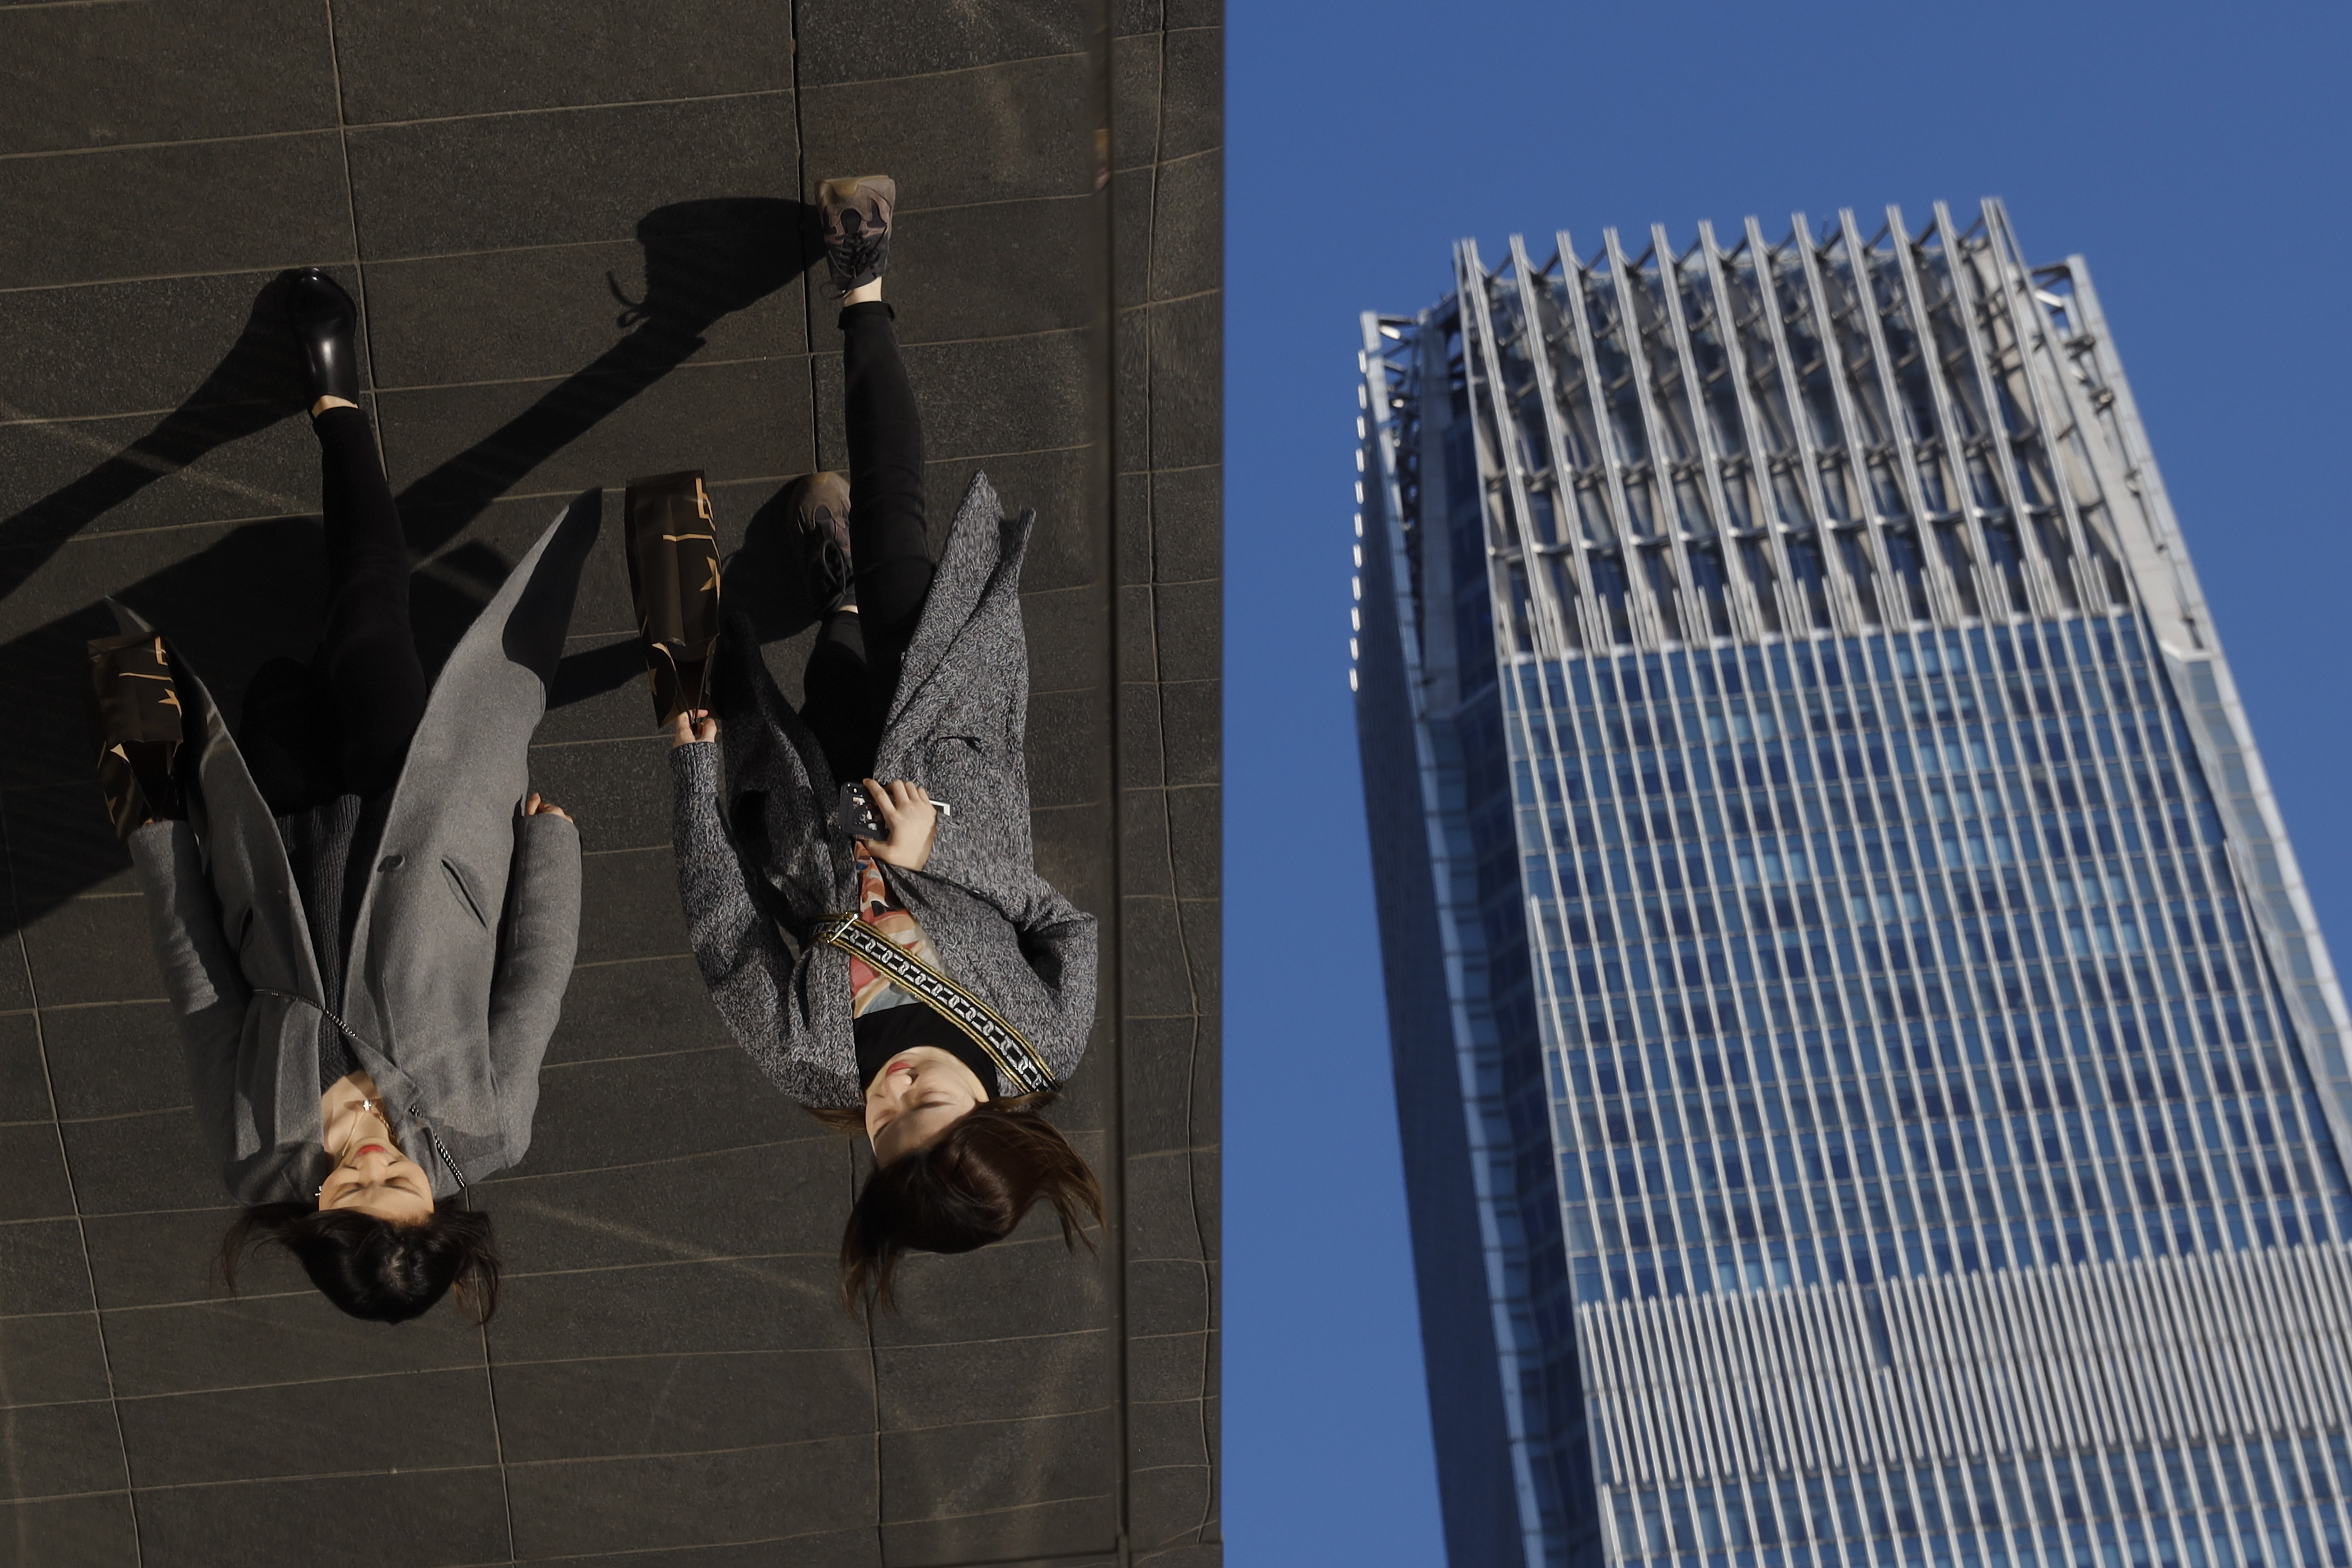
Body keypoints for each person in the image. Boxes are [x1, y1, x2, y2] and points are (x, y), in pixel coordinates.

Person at [90, 268, 589, 1324]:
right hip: (416, 811)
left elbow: (202, 993)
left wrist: (159, 834)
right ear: (438, 1205)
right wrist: (548, 853)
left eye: (348, 1189)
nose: (368, 1161)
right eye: (395, 1185)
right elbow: (532, 989)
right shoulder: (487, 1129)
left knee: (277, 685)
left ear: (310, 1216)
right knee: (371, 611)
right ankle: (337, 405)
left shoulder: (250, 1149)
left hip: (272, 839)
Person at [663, 175, 1102, 1309]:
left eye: (886, 1137)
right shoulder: (1043, 1042)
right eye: (931, 1112)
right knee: (900, 514)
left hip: (808, 788)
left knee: (827, 667)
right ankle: (863, 277)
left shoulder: (808, 1062)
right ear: (996, 1117)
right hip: (943, 751)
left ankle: (840, 591)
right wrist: (935, 847)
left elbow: (725, 932)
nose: (898, 1095)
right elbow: (1065, 920)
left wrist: (693, 773)